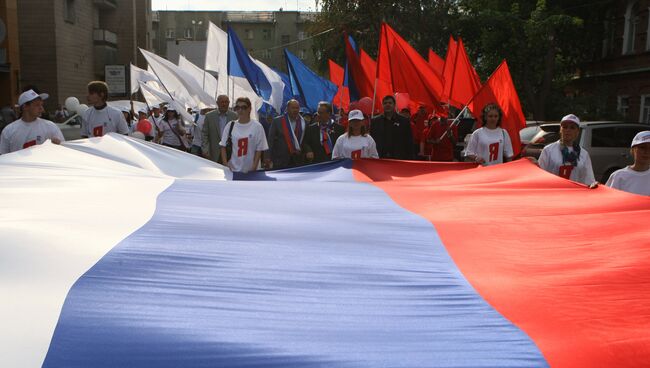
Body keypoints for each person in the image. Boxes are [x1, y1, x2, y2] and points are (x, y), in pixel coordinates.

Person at [538, 114, 596, 186]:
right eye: (565, 127)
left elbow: (589, 180)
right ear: (560, 130)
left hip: (575, 194)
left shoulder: (584, 154)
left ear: (577, 132)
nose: (568, 130)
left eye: (572, 128)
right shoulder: (548, 150)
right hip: (554, 193)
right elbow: (540, 176)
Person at [1, 89, 64, 154]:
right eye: (37, 105)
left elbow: (63, 149)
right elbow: (3, 156)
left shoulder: (50, 126)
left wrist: (58, 146)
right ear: (25, 107)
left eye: (41, 105)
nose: (42, 109)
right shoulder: (9, 130)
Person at [219, 97, 268, 173]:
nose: (240, 110)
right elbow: (223, 146)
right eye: (237, 107)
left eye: (244, 107)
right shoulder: (230, 125)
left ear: (249, 109)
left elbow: (259, 149)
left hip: (251, 171)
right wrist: (225, 164)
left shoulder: (257, 127)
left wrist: (254, 167)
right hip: (233, 170)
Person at [606, 130, 650, 195]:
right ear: (632, 150)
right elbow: (609, 200)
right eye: (642, 147)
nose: (647, 152)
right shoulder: (618, 176)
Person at [266, 99, 306, 169]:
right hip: (280, 160)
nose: (295, 110)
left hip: (298, 160)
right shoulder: (277, 121)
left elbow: (305, 140)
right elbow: (270, 140)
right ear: (287, 109)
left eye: (297, 108)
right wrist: (267, 157)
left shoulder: (303, 122)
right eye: (293, 108)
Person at [370, 95, 413, 159]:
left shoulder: (404, 121)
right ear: (382, 105)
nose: (387, 105)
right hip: (380, 158)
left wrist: (410, 158)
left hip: (399, 158)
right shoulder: (375, 121)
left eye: (390, 103)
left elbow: (409, 141)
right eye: (385, 103)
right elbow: (372, 140)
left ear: (394, 105)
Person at [202, 95, 237, 163]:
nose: (224, 104)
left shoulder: (234, 116)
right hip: (213, 153)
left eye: (226, 102)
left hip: (229, 153)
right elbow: (204, 134)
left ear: (229, 103)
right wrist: (205, 149)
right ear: (217, 103)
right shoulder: (209, 116)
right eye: (222, 102)